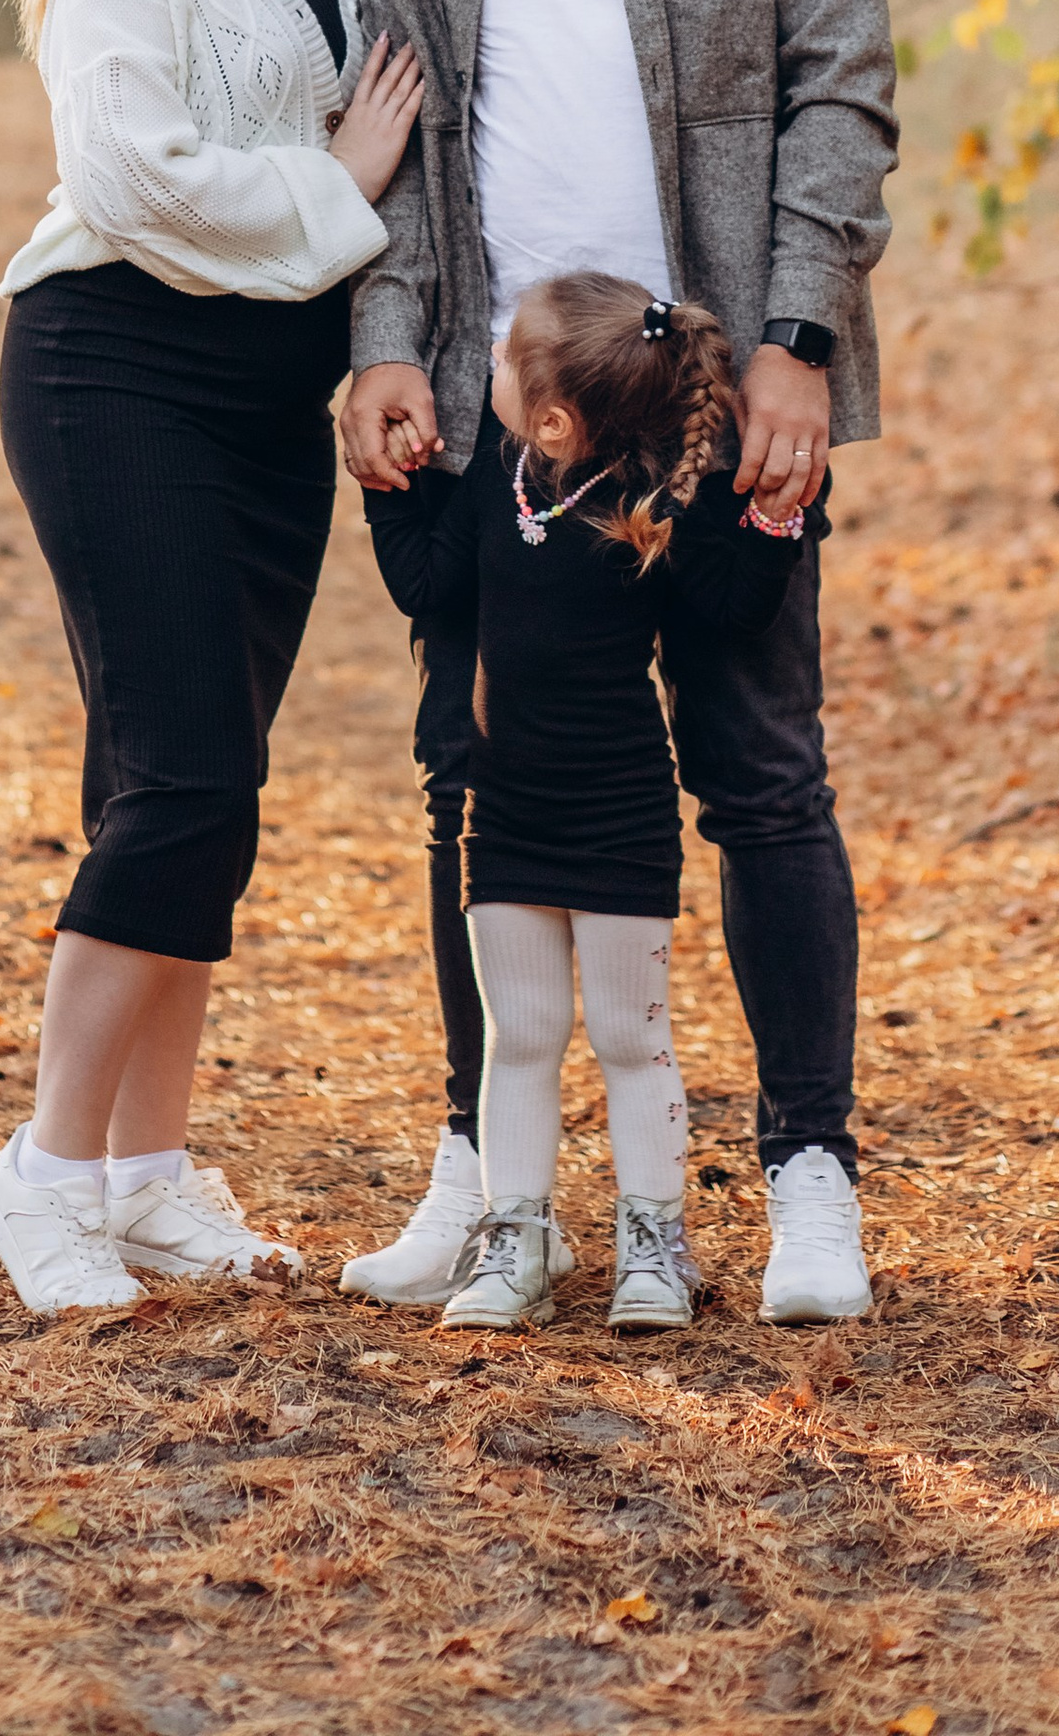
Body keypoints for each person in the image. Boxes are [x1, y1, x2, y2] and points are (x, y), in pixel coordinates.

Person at [337, 0, 897, 1326]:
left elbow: (843, 100)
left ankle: (809, 1179)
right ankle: (488, 1186)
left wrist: (797, 342)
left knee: (761, 775)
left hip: (711, 406)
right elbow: (398, 134)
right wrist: (386, 340)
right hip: (515, 414)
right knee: (473, 782)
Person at [0, 0, 426, 1319]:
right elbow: (128, 173)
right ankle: (43, 1169)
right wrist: (342, 189)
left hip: (261, 398)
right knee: (179, 785)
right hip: (115, 370)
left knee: (203, 791)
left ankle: (146, 1177)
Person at [361, 270, 803, 1332]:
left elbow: (735, 611)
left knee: (627, 1036)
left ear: (554, 412)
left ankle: (654, 1244)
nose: (489, 371)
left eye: (506, 362)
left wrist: (778, 519)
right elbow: (428, 587)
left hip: (619, 817)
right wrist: (394, 489)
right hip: (504, 813)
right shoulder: (497, 483)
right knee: (519, 1034)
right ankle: (513, 1238)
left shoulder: (651, 505)